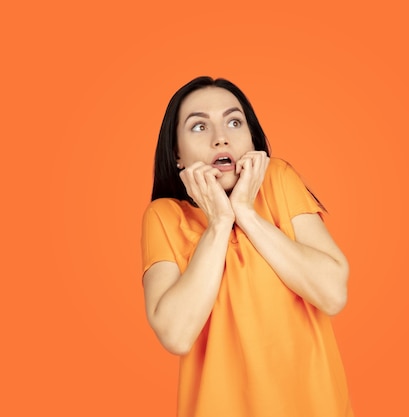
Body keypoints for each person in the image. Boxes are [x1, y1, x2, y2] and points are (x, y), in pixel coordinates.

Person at [141, 76, 354, 417]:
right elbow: (176, 334)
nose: (220, 137)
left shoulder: (280, 180)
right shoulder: (165, 217)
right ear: (177, 154)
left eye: (234, 121)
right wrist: (220, 223)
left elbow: (333, 293)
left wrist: (246, 214)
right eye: (199, 127)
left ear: (250, 139)